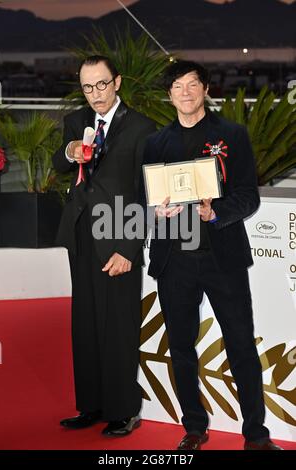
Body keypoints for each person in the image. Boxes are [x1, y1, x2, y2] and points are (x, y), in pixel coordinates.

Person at [142, 60, 283, 450]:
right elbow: (145, 199)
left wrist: (216, 211)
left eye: (192, 84)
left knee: (240, 345)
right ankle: (194, 427)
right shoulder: (155, 143)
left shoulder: (232, 135)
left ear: (205, 89)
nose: (184, 92)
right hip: (174, 262)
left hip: (224, 259)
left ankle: (255, 434)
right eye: (177, 86)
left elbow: (247, 196)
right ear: (168, 95)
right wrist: (157, 210)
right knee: (182, 349)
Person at [53, 55, 156, 436]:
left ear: (117, 82)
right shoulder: (75, 122)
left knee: (119, 327)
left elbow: (147, 195)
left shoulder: (144, 129)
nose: (95, 94)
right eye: (87, 87)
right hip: (80, 233)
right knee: (86, 325)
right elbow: (58, 162)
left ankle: (123, 409)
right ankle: (91, 405)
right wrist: (68, 152)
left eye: (101, 84)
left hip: (118, 235)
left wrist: (129, 248)